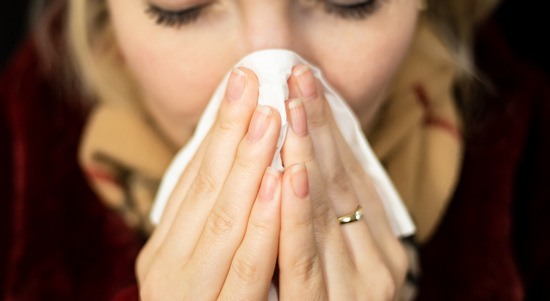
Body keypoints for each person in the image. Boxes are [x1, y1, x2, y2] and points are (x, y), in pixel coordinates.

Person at [1, 0, 548, 300]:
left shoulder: (529, 157)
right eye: (184, 5)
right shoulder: (16, 156)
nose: (272, 74)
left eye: (346, 0)